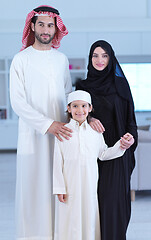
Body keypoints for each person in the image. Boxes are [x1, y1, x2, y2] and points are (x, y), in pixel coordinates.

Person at [9, 5, 72, 240]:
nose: (46, 30)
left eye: (50, 25)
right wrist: (48, 125)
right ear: (33, 26)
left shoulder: (61, 59)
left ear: (56, 29)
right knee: (33, 190)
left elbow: (67, 96)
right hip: (32, 137)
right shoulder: (21, 60)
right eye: (42, 24)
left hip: (61, 137)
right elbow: (18, 102)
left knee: (59, 188)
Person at [76, 40, 138, 240]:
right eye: (95, 55)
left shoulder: (121, 85)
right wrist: (91, 118)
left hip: (117, 152)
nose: (100, 60)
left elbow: (130, 120)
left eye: (104, 55)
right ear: (90, 58)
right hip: (90, 154)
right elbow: (75, 114)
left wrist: (130, 139)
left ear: (111, 58)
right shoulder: (83, 87)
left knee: (113, 204)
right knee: (93, 205)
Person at [53, 90, 134, 240]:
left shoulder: (95, 132)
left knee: (89, 217)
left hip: (90, 185)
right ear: (69, 109)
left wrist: (121, 145)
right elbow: (57, 161)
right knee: (69, 219)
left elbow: (103, 154)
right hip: (70, 186)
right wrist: (59, 188)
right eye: (75, 106)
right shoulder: (63, 132)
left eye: (84, 106)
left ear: (90, 108)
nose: (80, 110)